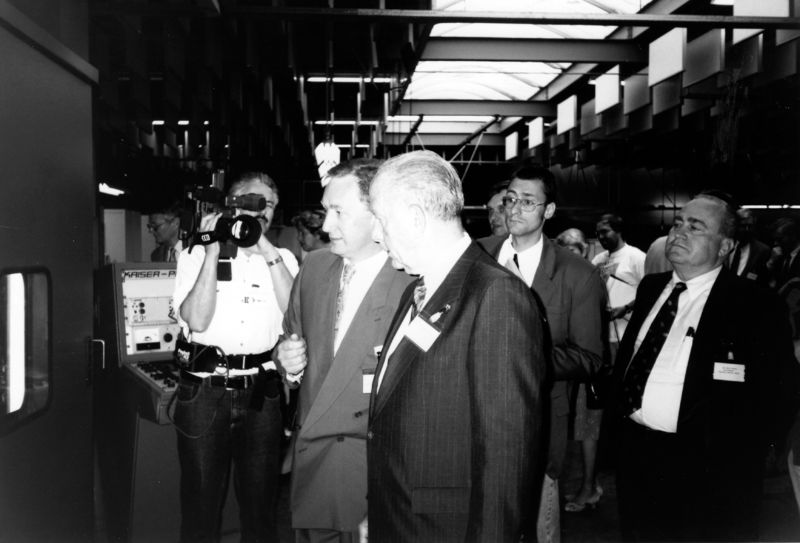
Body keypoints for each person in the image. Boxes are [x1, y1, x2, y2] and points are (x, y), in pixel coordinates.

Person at [367, 150, 546, 542]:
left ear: (415, 218)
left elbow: (506, 455)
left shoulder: (496, 294)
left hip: (445, 528)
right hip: (400, 517)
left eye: (379, 219)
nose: (376, 234)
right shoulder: (419, 289)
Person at [612, 190, 798, 542]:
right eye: (677, 223)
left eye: (695, 227)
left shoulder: (755, 305)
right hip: (636, 456)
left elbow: (781, 390)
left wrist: (748, 455)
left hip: (710, 472)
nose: (679, 233)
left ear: (725, 246)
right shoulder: (651, 288)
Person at [274, 159, 413, 542]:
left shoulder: (411, 281)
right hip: (311, 463)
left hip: (368, 471)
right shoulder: (315, 267)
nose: (326, 226)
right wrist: (288, 363)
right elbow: (289, 337)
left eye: (339, 212)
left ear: (378, 215)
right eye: (325, 211)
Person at [479, 166, 606, 542]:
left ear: (549, 210)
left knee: (539, 523)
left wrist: (524, 360)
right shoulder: (476, 255)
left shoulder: (577, 274)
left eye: (527, 202)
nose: (514, 209)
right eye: (510, 199)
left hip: (538, 416)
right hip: (475, 415)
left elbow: (590, 357)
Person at [172, 171, 299, 543]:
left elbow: (296, 313)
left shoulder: (284, 259)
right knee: (200, 502)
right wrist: (212, 251)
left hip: (261, 393)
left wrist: (267, 251)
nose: (262, 212)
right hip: (204, 392)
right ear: (232, 205)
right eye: (253, 202)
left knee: (260, 505)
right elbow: (197, 320)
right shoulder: (196, 253)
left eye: (270, 205)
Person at [553, 228, 605, 514]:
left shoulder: (588, 278)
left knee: (587, 428)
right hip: (568, 366)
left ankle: (589, 486)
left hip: (586, 368)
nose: (569, 255)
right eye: (564, 249)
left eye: (574, 249)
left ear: (584, 250)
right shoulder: (562, 278)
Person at [592, 214, 646, 348]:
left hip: (626, 333)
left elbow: (649, 293)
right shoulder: (598, 259)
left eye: (604, 232)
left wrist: (626, 308)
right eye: (597, 233)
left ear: (619, 231)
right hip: (601, 334)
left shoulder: (637, 257)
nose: (600, 237)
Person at [728, 208, 770, 284]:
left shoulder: (762, 250)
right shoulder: (724, 244)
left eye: (750, 226)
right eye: (743, 226)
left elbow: (763, 279)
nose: (747, 230)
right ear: (735, 226)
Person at [768, 217, 800, 290]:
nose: (775, 243)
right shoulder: (778, 255)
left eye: (779, 239)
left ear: (793, 236)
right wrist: (771, 261)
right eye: (775, 239)